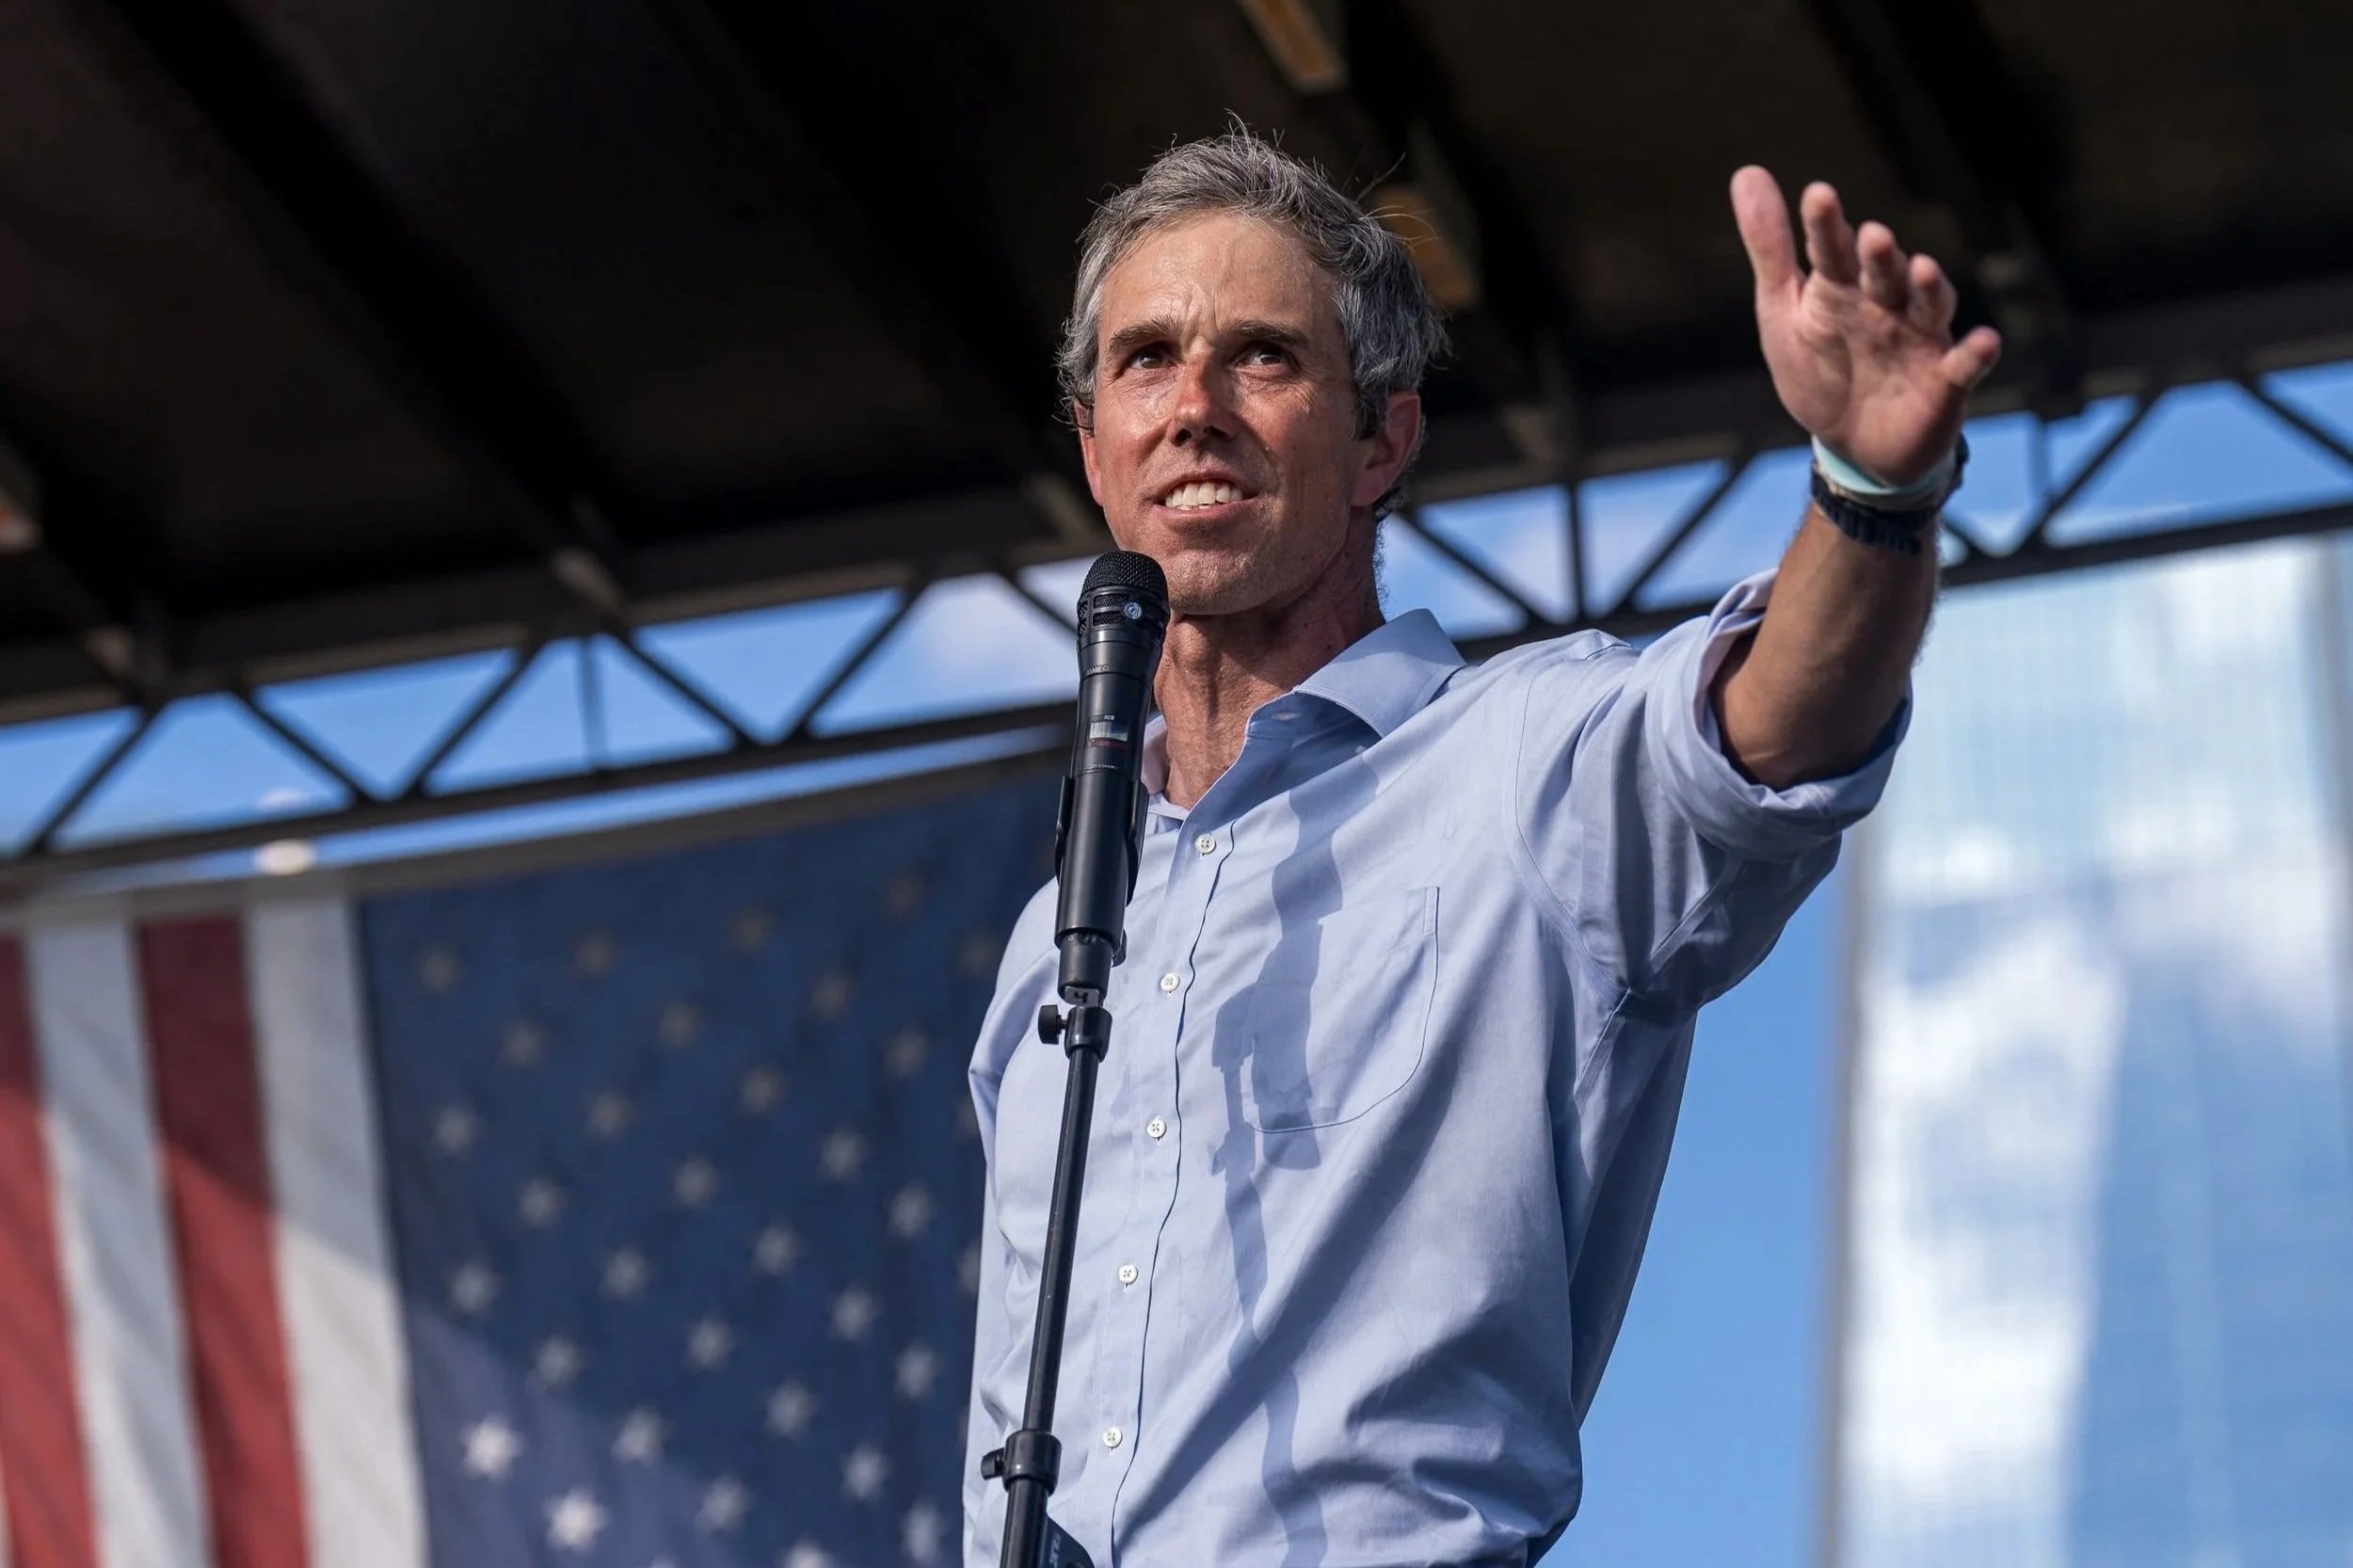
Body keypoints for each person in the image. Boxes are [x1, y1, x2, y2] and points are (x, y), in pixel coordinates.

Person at [962, 129, 1997, 1567]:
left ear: (1383, 435)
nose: (1192, 407)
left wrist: (1871, 493)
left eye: (1261, 356)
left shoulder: (1524, 770)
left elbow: (1775, 729)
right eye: (1145, 361)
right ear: (1094, 445)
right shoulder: (1054, 942)